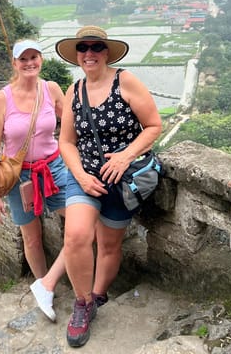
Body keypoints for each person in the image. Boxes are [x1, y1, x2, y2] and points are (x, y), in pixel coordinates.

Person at [56, 25, 162, 347]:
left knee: (110, 245)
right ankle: (82, 303)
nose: (89, 53)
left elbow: (154, 125)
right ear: (77, 55)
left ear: (106, 53)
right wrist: (81, 175)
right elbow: (66, 142)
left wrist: (124, 157)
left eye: (96, 47)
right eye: (83, 48)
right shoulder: (74, 91)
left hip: (121, 178)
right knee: (76, 237)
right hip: (85, 176)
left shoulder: (124, 81)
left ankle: (99, 296)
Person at [0, 39, 67, 321]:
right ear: (15, 63)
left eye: (34, 57)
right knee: (31, 239)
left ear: (41, 60)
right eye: (24, 59)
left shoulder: (51, 89)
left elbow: (71, 123)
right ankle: (45, 287)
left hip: (54, 168)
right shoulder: (1, 98)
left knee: (83, 223)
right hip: (20, 177)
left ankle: (48, 283)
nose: (30, 63)